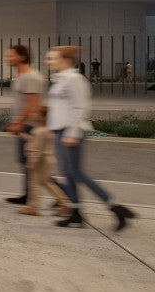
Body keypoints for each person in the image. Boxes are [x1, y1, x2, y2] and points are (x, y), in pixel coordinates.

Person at [46, 46, 134, 230]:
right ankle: (76, 212)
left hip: (69, 131)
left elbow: (81, 107)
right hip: (60, 131)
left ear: (66, 59)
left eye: (53, 58)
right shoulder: (62, 79)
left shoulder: (75, 79)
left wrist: (72, 133)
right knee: (69, 174)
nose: (49, 61)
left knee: (76, 173)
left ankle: (116, 207)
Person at [3, 45, 43, 207]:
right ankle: (27, 194)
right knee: (26, 162)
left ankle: (64, 194)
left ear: (22, 56)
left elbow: (32, 105)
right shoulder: (20, 76)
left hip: (29, 126)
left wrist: (19, 123)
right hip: (23, 124)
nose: (8, 58)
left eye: (11, 56)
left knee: (33, 163)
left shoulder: (31, 76)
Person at [15, 106, 70, 217]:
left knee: (34, 183)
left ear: (43, 117)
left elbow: (36, 149)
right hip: (48, 159)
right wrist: (23, 135)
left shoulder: (39, 131)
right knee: (46, 182)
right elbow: (36, 141)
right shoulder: (47, 130)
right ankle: (65, 203)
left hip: (40, 160)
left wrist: (31, 163)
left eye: (37, 114)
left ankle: (33, 207)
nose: (34, 116)